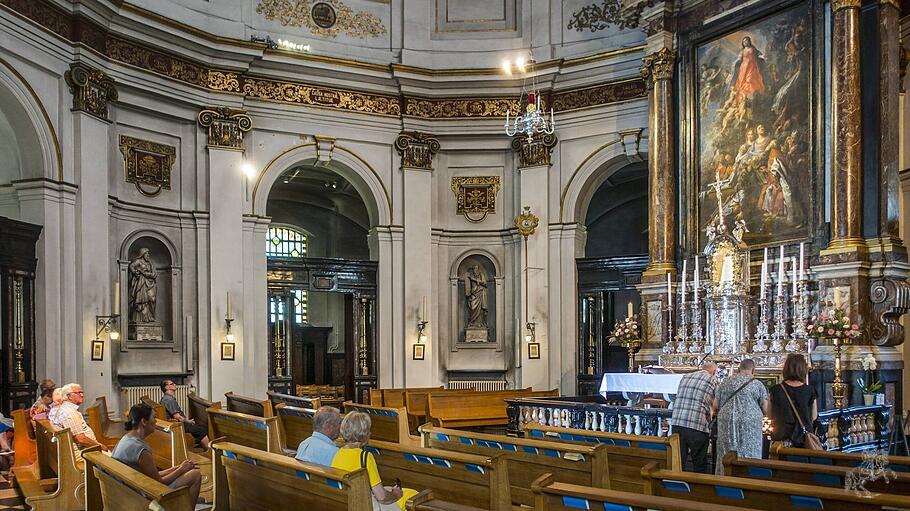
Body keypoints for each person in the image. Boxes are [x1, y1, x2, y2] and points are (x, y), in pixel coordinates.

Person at [113, 404, 201, 503]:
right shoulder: (140, 449)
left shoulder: (127, 438)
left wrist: (179, 467)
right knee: (195, 475)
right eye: (154, 417)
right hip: (142, 496)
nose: (156, 421)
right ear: (144, 421)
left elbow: (152, 475)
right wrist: (181, 469)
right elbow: (159, 482)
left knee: (188, 472)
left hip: (127, 489)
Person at [332, 412, 418, 510]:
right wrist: (396, 495)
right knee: (412, 496)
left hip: (348, 503)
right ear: (364, 434)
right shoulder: (364, 457)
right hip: (365, 506)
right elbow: (382, 497)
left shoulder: (338, 454)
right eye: (368, 430)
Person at [713, 359, 769, 474]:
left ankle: (724, 477)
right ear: (753, 370)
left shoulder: (725, 382)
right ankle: (750, 478)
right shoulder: (757, 384)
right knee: (750, 451)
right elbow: (765, 408)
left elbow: (715, 405)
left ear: (738, 370)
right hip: (750, 424)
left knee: (726, 451)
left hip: (726, 421)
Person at [671, 361, 718, 473]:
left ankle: (677, 486)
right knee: (699, 462)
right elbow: (717, 403)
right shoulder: (712, 379)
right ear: (714, 372)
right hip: (696, 425)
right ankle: (698, 488)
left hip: (677, 423)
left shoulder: (686, 377)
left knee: (678, 461)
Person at [770, 354, 817, 447]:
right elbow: (814, 416)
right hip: (803, 438)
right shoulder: (810, 390)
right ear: (803, 369)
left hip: (781, 437)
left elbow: (769, 414)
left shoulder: (775, 390)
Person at [52, 383, 106, 451]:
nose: (82, 395)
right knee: (112, 460)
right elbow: (81, 439)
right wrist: (100, 447)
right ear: (69, 396)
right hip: (81, 452)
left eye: (82, 392)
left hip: (86, 448)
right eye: (78, 393)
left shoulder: (68, 409)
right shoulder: (70, 412)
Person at [159, 380, 209, 449]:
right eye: (172, 384)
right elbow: (177, 417)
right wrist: (189, 421)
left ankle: (201, 446)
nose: (175, 384)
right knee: (202, 431)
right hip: (178, 425)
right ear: (167, 387)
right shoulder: (168, 400)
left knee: (200, 428)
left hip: (177, 424)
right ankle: (208, 451)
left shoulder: (167, 398)